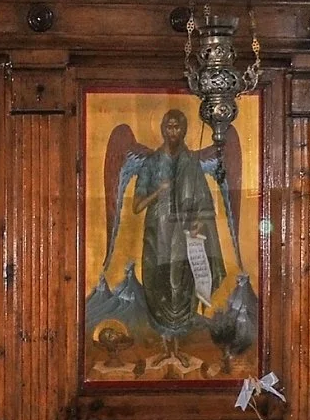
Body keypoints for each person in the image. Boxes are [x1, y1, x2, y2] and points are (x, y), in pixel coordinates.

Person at [91, 108, 243, 371]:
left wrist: (197, 223)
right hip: (157, 238)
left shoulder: (193, 163)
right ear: (162, 129)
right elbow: (137, 205)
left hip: (185, 239)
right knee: (158, 288)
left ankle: (179, 349)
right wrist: (157, 193)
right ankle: (164, 348)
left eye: (178, 127)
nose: (173, 131)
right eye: (169, 126)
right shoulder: (151, 164)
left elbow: (205, 203)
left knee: (183, 288)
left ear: (184, 130)